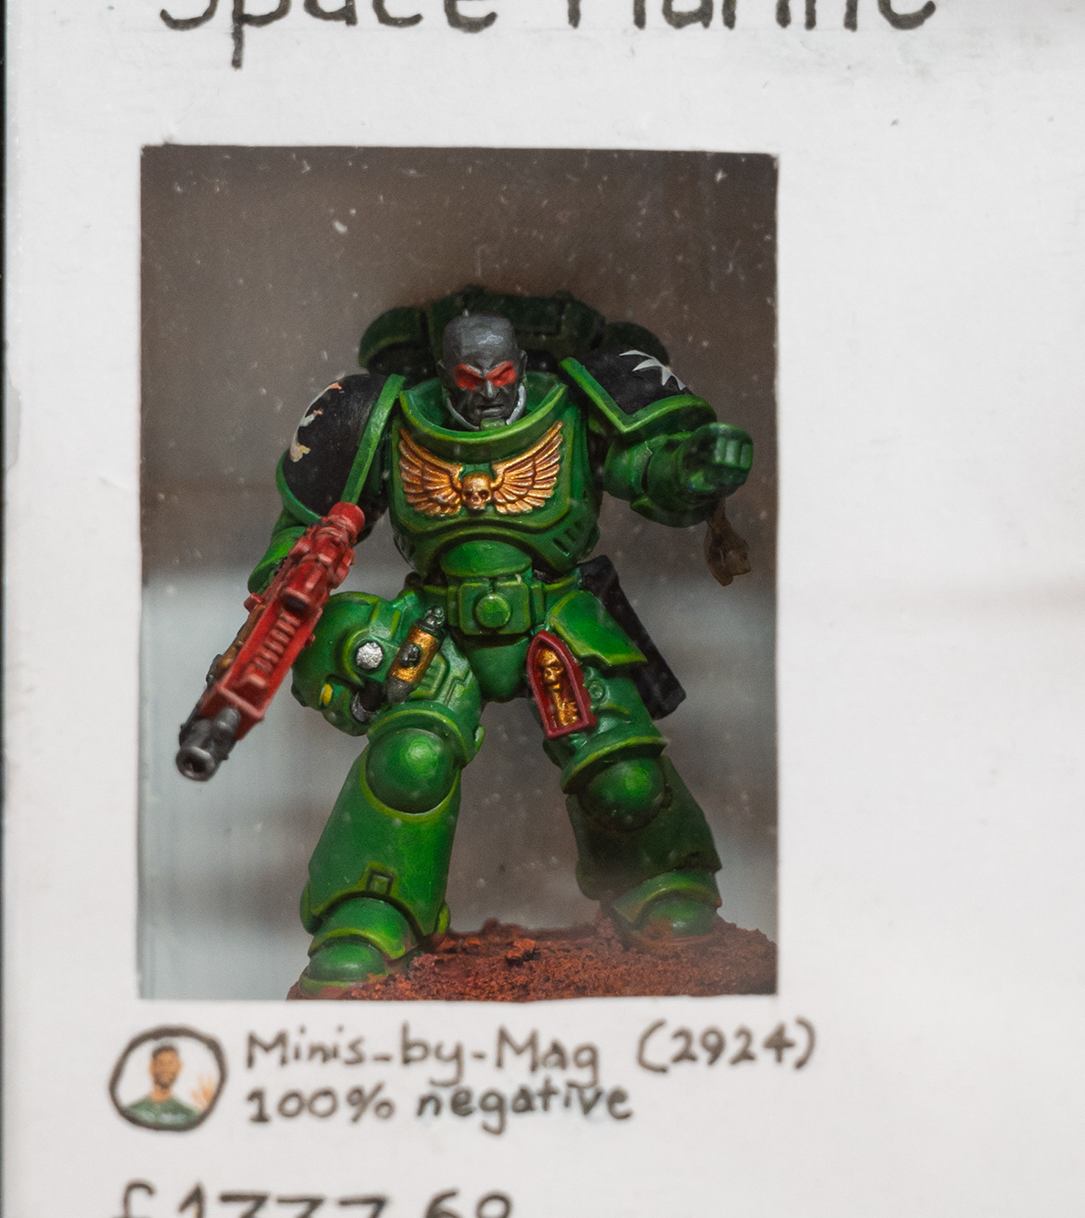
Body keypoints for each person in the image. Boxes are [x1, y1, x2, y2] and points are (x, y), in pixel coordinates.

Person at [251, 302, 753, 994]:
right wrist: (303, 605)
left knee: (623, 776)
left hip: (556, 612)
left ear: (520, 366)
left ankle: (662, 885)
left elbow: (646, 468)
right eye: (468, 379)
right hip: (436, 623)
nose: (487, 394)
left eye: (502, 376)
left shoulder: (571, 405)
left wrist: (691, 467)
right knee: (409, 762)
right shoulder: (390, 417)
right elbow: (298, 533)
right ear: (443, 373)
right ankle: (366, 918)